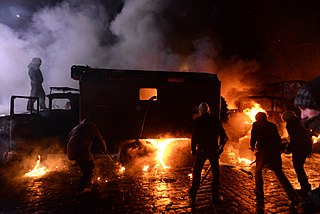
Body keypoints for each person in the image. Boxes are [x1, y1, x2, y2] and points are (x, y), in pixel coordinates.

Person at [250, 112, 299, 204]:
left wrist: (252, 145)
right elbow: (278, 139)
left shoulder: (256, 125)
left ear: (257, 118)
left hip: (263, 151)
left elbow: (254, 136)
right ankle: (293, 196)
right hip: (274, 152)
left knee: (258, 171)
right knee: (280, 173)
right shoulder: (272, 126)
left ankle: (259, 191)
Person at [190, 102, 228, 206]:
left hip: (201, 151)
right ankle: (215, 197)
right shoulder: (215, 120)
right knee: (216, 174)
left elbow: (194, 138)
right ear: (208, 110)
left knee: (197, 172)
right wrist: (220, 148)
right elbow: (224, 137)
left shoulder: (197, 121)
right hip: (213, 151)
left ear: (200, 111)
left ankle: (193, 194)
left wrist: (193, 150)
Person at [67, 118, 107, 194]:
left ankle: (87, 185)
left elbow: (68, 137)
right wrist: (105, 150)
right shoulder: (92, 127)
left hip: (71, 151)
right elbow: (100, 139)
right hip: (81, 151)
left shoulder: (77, 127)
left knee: (86, 167)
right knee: (89, 169)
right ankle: (81, 189)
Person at [282, 110, 312, 198]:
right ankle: (306, 187)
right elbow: (308, 134)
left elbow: (294, 138)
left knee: (298, 168)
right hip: (306, 147)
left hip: (299, 149)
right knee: (300, 167)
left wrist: (289, 148)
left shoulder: (290, 124)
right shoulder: (300, 122)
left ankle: (305, 188)